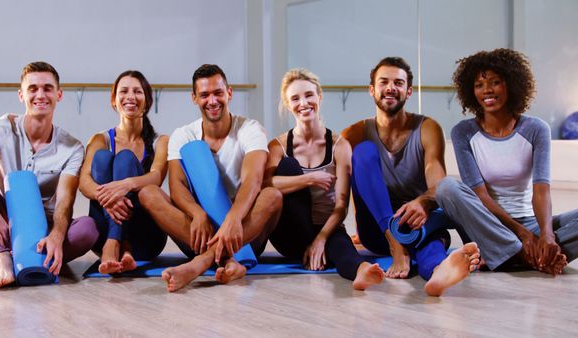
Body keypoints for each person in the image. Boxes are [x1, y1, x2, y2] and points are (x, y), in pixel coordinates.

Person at [0, 62, 98, 290]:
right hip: (2, 225)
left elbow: (65, 202)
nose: (40, 95)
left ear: (59, 94)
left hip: (42, 230)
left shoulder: (72, 147)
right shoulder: (3, 128)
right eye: (33, 89)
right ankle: (1, 256)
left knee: (88, 229)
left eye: (47, 88)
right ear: (21, 95)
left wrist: (56, 235)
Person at [342, 57, 480, 296]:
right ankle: (397, 247)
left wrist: (423, 202)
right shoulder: (354, 133)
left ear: (408, 91)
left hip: (417, 222)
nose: (391, 87)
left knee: (430, 242)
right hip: (377, 230)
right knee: (363, 152)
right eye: (384, 81)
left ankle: (439, 272)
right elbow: (351, 187)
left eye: (398, 82)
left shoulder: (427, 128)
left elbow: (437, 182)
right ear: (372, 90)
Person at [138, 64, 282, 292]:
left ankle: (202, 262)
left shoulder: (250, 129)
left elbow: (253, 180)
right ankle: (231, 261)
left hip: (243, 232)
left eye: (218, 93)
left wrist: (233, 219)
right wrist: (197, 213)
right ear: (194, 98)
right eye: (204, 95)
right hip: (199, 233)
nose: (212, 101)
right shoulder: (183, 135)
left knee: (272, 195)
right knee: (148, 193)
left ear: (229, 93)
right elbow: (177, 186)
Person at [436, 48, 577, 275]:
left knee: (548, 235)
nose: (487, 90)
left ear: (511, 84)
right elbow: (480, 195)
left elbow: (541, 191)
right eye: (479, 85)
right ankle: (526, 255)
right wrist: (523, 236)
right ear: (470, 92)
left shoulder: (536, 129)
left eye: (495, 82)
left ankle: (528, 255)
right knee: (446, 187)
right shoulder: (463, 133)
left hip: (529, 224)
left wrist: (546, 235)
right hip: (484, 226)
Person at [263, 68, 384, 290]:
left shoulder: (340, 146)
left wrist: (320, 239)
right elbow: (266, 186)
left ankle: (360, 271)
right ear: (288, 105)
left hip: (326, 228)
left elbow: (341, 207)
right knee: (289, 166)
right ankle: (322, 246)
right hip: (289, 234)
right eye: (295, 98)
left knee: (339, 245)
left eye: (309, 95)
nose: (304, 103)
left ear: (319, 96)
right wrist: (308, 180)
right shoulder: (278, 146)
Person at [79, 70, 168, 274]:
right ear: (114, 100)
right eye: (124, 91)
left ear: (147, 101)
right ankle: (119, 243)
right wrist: (110, 198)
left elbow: (157, 176)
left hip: (146, 237)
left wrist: (126, 184)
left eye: (137, 91)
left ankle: (116, 243)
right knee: (102, 157)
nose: (130, 97)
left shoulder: (160, 141)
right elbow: (84, 181)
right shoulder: (100, 139)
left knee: (126, 158)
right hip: (103, 231)